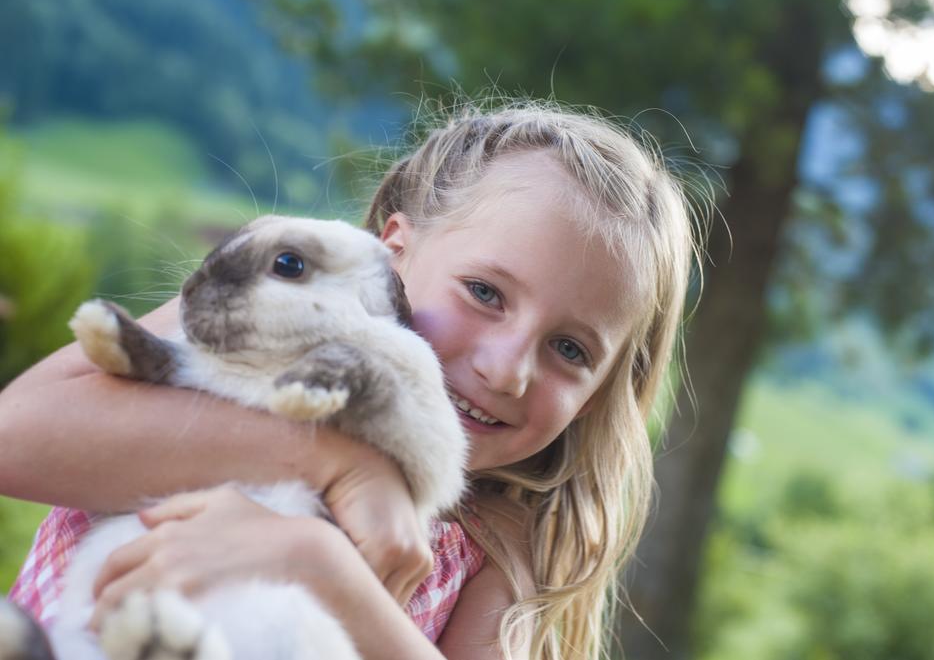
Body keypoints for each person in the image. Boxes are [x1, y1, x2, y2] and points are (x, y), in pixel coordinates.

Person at [0, 101, 698, 660]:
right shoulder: (262, 315)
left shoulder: (501, 542)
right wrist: (332, 457)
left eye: (570, 348)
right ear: (391, 250)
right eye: (485, 292)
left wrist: (321, 565)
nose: (506, 368)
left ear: (603, 391)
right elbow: (13, 437)